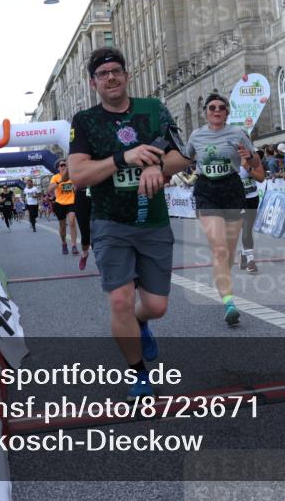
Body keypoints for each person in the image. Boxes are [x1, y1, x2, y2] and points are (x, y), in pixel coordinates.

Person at [67, 47, 190, 399]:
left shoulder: (153, 109)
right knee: (120, 300)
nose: (111, 77)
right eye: (102, 74)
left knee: (156, 306)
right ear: (93, 83)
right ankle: (138, 373)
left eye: (116, 71)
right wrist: (124, 158)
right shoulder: (85, 121)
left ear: (126, 75)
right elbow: (79, 175)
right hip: (110, 222)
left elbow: (182, 156)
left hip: (153, 222)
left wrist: (156, 165)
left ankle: (140, 321)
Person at [185, 93, 262, 326]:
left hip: (231, 190)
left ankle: (222, 277)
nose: (216, 111)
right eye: (212, 108)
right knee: (219, 249)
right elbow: (185, 158)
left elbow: (256, 163)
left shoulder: (238, 133)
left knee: (228, 251)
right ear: (205, 112)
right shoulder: (196, 136)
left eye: (221, 107)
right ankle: (229, 303)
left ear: (227, 112)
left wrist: (249, 156)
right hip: (206, 191)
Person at [238, 147, 266, 274]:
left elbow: (261, 178)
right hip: (238, 199)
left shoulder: (254, 158)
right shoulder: (231, 157)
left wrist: (248, 168)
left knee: (248, 228)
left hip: (252, 198)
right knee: (246, 226)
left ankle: (244, 254)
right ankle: (250, 260)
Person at [49, 161, 78, 254]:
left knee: (72, 222)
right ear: (58, 168)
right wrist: (61, 180)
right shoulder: (55, 177)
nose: (64, 166)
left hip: (72, 202)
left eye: (66, 164)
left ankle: (74, 246)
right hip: (60, 204)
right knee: (62, 226)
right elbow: (49, 190)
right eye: (62, 165)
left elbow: (77, 187)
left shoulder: (72, 175)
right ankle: (64, 243)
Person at [73, 184, 92, 271]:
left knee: (101, 229)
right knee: (85, 233)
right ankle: (84, 254)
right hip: (82, 195)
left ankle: (102, 260)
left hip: (99, 193)